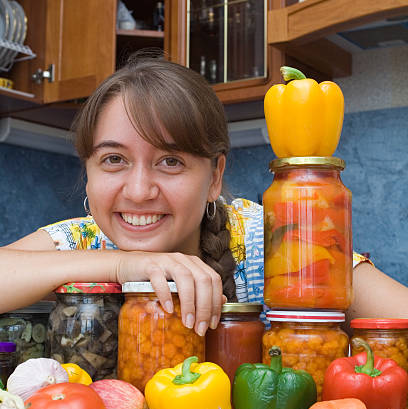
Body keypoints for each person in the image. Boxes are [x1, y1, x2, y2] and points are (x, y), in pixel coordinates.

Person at [0, 54, 407, 336]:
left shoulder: (267, 240)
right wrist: (123, 264)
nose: (139, 191)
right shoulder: (83, 242)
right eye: (113, 160)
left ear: (215, 176)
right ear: (87, 172)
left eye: (171, 161)